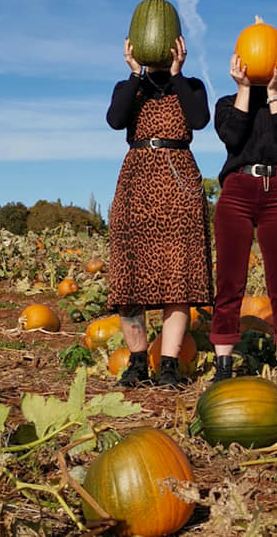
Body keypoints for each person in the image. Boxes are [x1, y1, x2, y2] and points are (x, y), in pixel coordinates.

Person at [106, 34, 212, 387]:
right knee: (130, 276)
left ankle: (168, 366)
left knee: (177, 277)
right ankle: (137, 363)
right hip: (136, 180)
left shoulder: (191, 85)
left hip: (178, 179)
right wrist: (136, 73)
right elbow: (115, 119)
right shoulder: (129, 87)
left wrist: (178, 74)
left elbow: (198, 120)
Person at [210, 53, 277, 379]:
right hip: (236, 190)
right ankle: (223, 363)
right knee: (229, 282)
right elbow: (232, 137)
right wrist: (243, 88)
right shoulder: (227, 103)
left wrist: (275, 92)